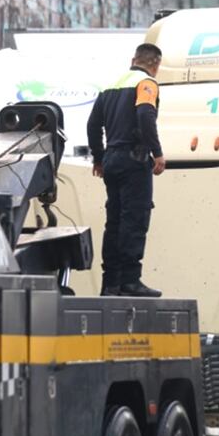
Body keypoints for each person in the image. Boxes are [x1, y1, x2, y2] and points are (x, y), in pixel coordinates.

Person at [86, 43, 166, 298]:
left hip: (112, 161)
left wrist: (99, 158)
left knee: (115, 222)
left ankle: (110, 284)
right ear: (156, 65)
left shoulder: (111, 85)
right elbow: (145, 115)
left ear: (134, 59)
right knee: (135, 219)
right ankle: (130, 280)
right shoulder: (147, 84)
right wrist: (157, 152)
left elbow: (92, 125)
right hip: (135, 160)